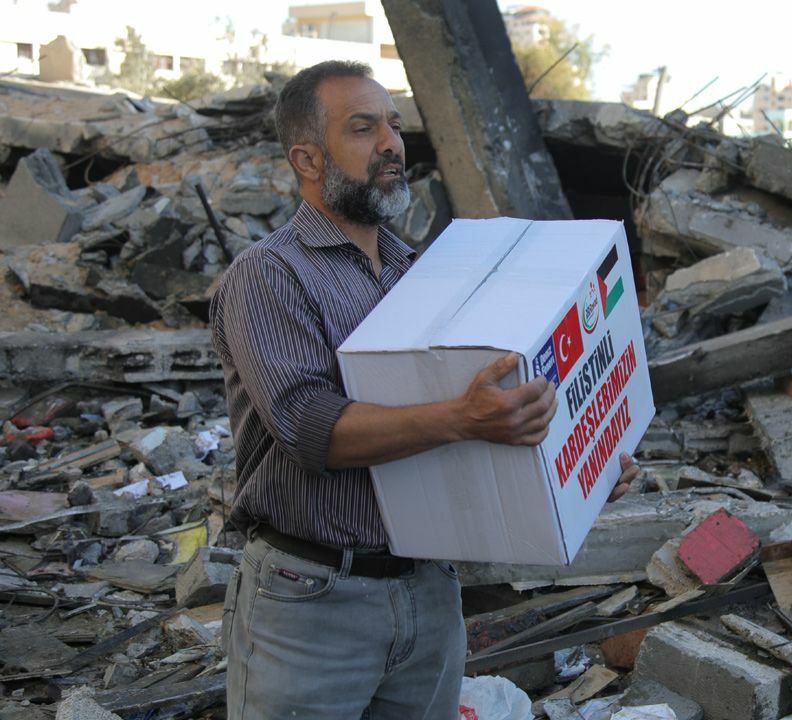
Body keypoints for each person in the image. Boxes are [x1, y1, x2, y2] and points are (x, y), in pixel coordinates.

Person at [210, 60, 640, 720]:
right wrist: (466, 419)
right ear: (307, 157)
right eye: (363, 128)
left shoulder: (423, 274)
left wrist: (574, 471)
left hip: (428, 594)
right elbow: (306, 426)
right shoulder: (269, 275)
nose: (390, 144)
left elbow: (470, 415)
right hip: (313, 602)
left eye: (394, 124)